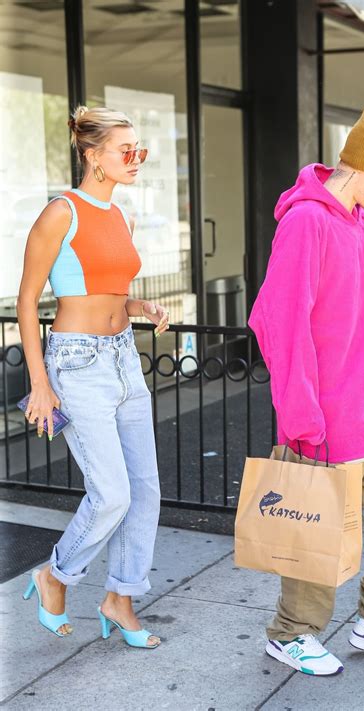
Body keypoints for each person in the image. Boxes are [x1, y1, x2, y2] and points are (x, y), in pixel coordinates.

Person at [249, 95, 364, 676]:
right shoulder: (307, 221)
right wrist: (302, 415)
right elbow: (277, 321)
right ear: (362, 165)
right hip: (328, 419)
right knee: (317, 540)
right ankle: (291, 634)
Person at [18, 106, 168, 648]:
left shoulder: (120, 215)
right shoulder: (62, 212)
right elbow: (29, 300)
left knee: (145, 490)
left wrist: (138, 304)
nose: (136, 161)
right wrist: (40, 382)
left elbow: (106, 290)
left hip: (125, 356)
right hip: (76, 364)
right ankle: (56, 576)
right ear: (92, 156)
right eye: (126, 151)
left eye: (140, 151)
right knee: (110, 494)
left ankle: (120, 599)